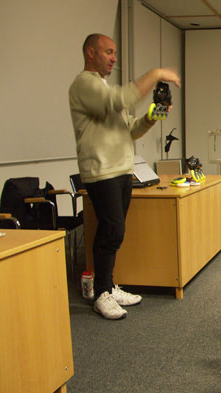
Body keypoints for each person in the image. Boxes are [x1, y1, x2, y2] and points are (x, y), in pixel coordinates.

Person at [69, 33, 181, 319]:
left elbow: (130, 129)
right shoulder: (85, 84)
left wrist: (154, 116)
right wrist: (155, 73)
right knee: (111, 231)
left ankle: (107, 285)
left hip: (120, 170)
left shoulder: (104, 88)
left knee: (114, 232)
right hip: (101, 171)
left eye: (115, 52)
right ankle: (101, 293)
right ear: (90, 53)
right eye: (108, 52)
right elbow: (117, 100)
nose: (114, 58)